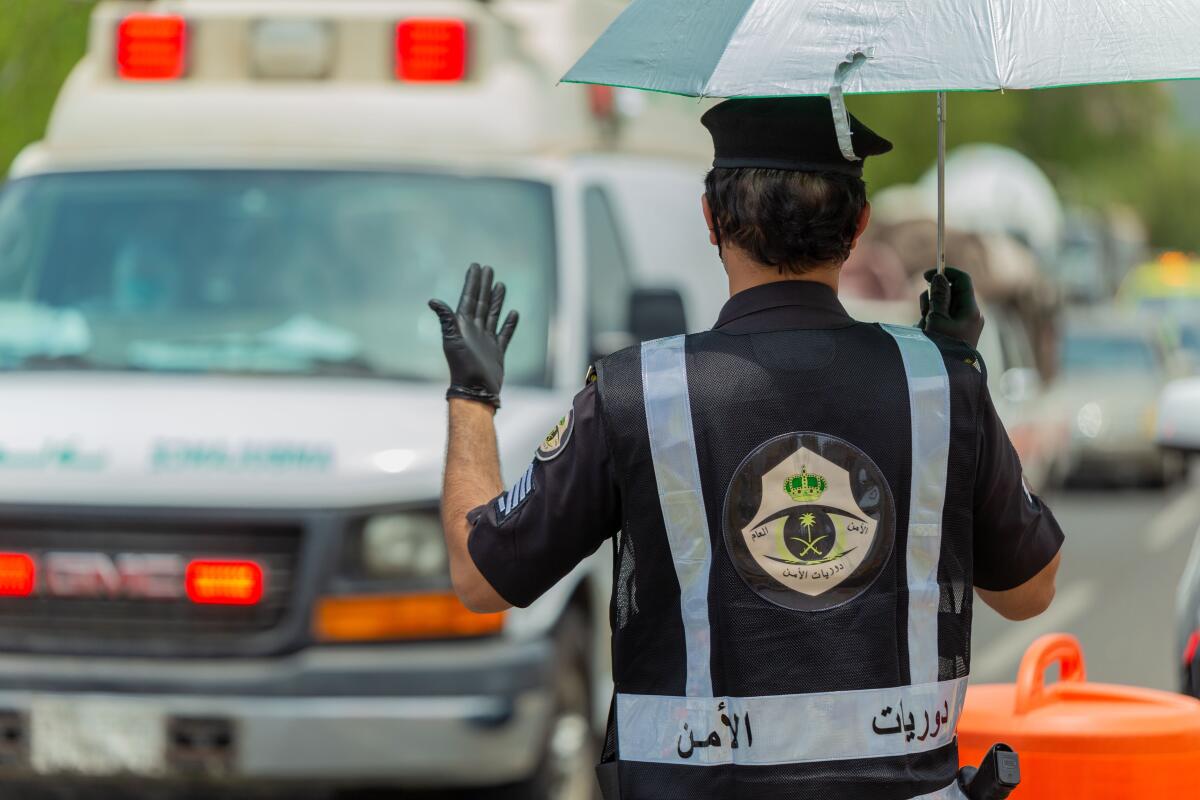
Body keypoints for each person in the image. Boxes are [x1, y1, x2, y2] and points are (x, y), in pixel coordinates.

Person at [427, 97, 1064, 800]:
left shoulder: (639, 392)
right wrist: (953, 375)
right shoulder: (940, 387)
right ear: (858, 225)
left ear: (710, 218)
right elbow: (1031, 591)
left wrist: (473, 399)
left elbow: (480, 578)